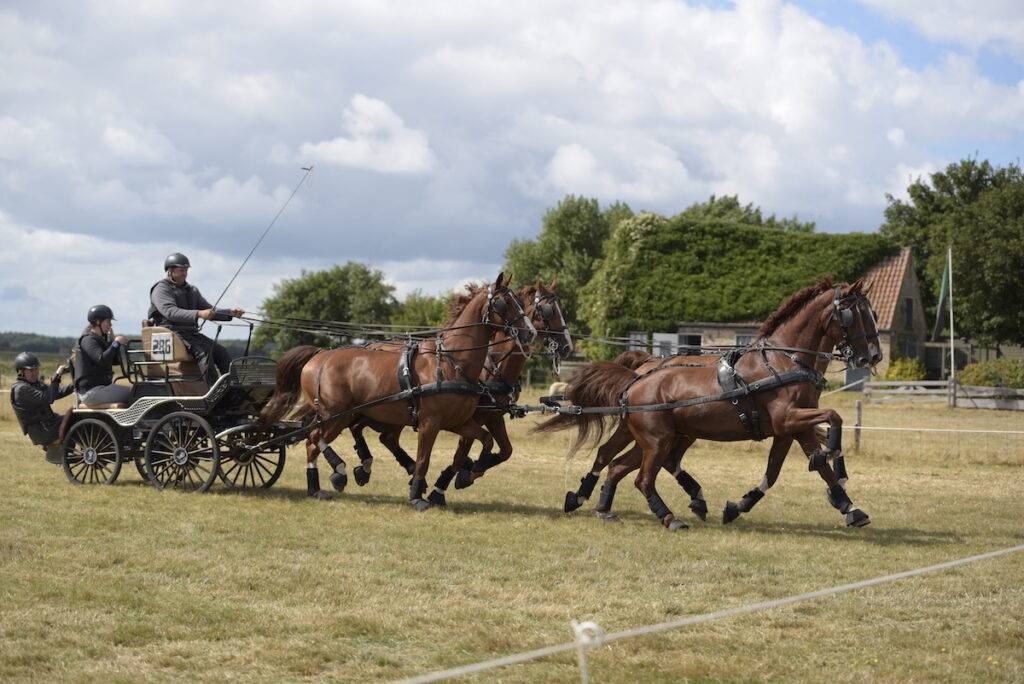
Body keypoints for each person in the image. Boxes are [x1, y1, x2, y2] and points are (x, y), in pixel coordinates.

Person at [147, 252, 244, 383]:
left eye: (186, 270)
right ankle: (214, 390)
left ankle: (234, 388)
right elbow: (170, 311)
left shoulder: (192, 290)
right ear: (170, 271)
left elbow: (209, 310)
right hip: (171, 334)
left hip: (191, 334)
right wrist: (198, 313)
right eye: (181, 270)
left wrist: (230, 313)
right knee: (204, 352)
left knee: (221, 352)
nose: (185, 273)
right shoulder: (161, 288)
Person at [9, 352, 74, 464]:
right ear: (21, 372)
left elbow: (56, 393)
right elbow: (48, 398)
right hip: (43, 430)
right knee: (75, 419)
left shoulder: (35, 384)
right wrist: (57, 376)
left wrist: (76, 384)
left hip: (50, 424)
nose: (35, 373)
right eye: (31, 370)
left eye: (36, 369)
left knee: (79, 417)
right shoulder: (21, 389)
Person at [74, 304, 133, 407]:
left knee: (136, 391)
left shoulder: (100, 340)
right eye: (108, 321)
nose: (110, 325)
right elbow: (102, 360)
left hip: (101, 388)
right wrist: (115, 343)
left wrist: (112, 342)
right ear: (98, 322)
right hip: (91, 391)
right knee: (136, 393)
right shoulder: (88, 339)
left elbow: (115, 361)